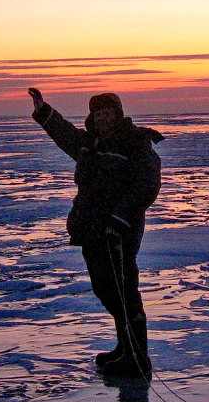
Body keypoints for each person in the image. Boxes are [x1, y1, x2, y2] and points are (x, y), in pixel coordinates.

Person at [28, 87, 163, 379]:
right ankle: (125, 348)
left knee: (124, 291)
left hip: (119, 232)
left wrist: (119, 220)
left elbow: (146, 187)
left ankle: (137, 358)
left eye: (108, 113)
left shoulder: (135, 144)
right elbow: (65, 135)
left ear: (118, 114)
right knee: (106, 290)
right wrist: (44, 112)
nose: (103, 118)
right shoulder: (90, 143)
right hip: (92, 229)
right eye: (98, 113)